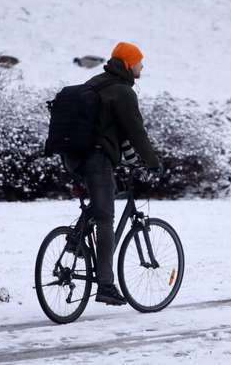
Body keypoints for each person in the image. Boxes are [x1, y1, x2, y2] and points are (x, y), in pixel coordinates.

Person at [71, 41, 162, 306]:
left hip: (73, 156)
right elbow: (136, 132)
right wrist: (153, 162)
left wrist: (132, 161)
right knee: (106, 219)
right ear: (127, 64)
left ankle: (75, 240)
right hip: (95, 158)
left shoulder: (97, 82)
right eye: (139, 62)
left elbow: (117, 134)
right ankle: (106, 287)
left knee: (101, 203)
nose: (142, 66)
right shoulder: (122, 91)